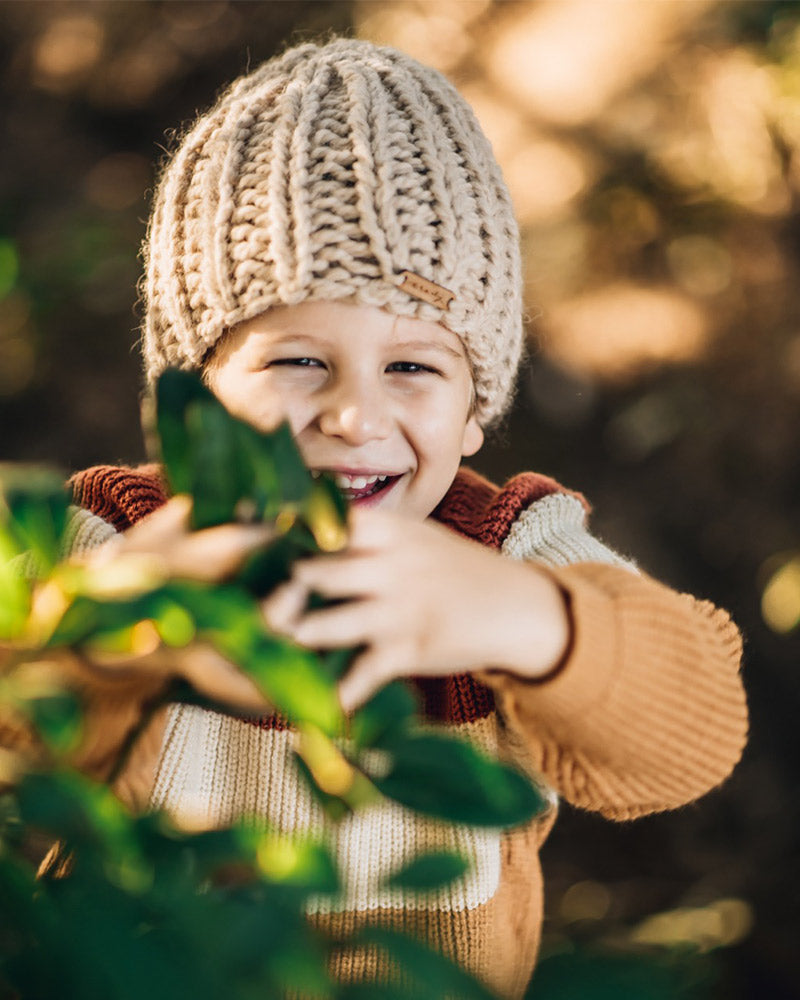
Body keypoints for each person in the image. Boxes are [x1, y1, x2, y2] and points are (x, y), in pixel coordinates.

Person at [17, 38, 748, 999]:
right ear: (192, 395)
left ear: (476, 405)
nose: (354, 416)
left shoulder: (505, 549)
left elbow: (688, 736)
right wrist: (117, 642)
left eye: (413, 367)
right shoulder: (120, 540)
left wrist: (531, 622)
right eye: (296, 362)